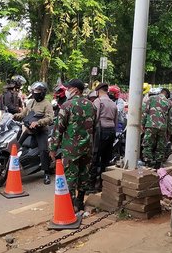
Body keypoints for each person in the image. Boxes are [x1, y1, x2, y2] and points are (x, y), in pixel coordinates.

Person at [49, 79, 95, 212]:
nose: (67, 91)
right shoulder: (92, 106)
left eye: (69, 88)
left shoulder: (67, 106)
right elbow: (94, 127)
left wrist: (53, 148)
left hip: (71, 148)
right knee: (84, 174)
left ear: (75, 90)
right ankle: (79, 202)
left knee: (70, 175)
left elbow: (59, 129)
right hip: (87, 147)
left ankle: (69, 204)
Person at [13, 82, 54, 184]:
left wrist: (39, 122)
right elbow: (24, 113)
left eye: (38, 91)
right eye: (34, 91)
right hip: (29, 130)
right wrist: (15, 116)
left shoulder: (47, 104)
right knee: (16, 145)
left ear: (43, 92)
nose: (35, 93)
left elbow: (50, 118)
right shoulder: (30, 102)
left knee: (43, 150)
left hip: (41, 131)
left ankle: (46, 173)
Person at [89, 83, 118, 192]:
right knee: (106, 159)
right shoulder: (113, 103)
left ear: (98, 91)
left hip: (101, 131)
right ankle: (103, 184)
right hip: (111, 131)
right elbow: (116, 120)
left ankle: (92, 186)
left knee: (95, 157)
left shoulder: (98, 101)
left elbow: (94, 118)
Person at [141, 88, 172, 169]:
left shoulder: (151, 98)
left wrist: (142, 124)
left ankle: (148, 162)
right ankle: (158, 164)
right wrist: (169, 131)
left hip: (150, 125)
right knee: (160, 146)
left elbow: (145, 111)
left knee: (147, 144)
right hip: (162, 127)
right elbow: (170, 119)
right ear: (167, 95)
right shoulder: (169, 102)